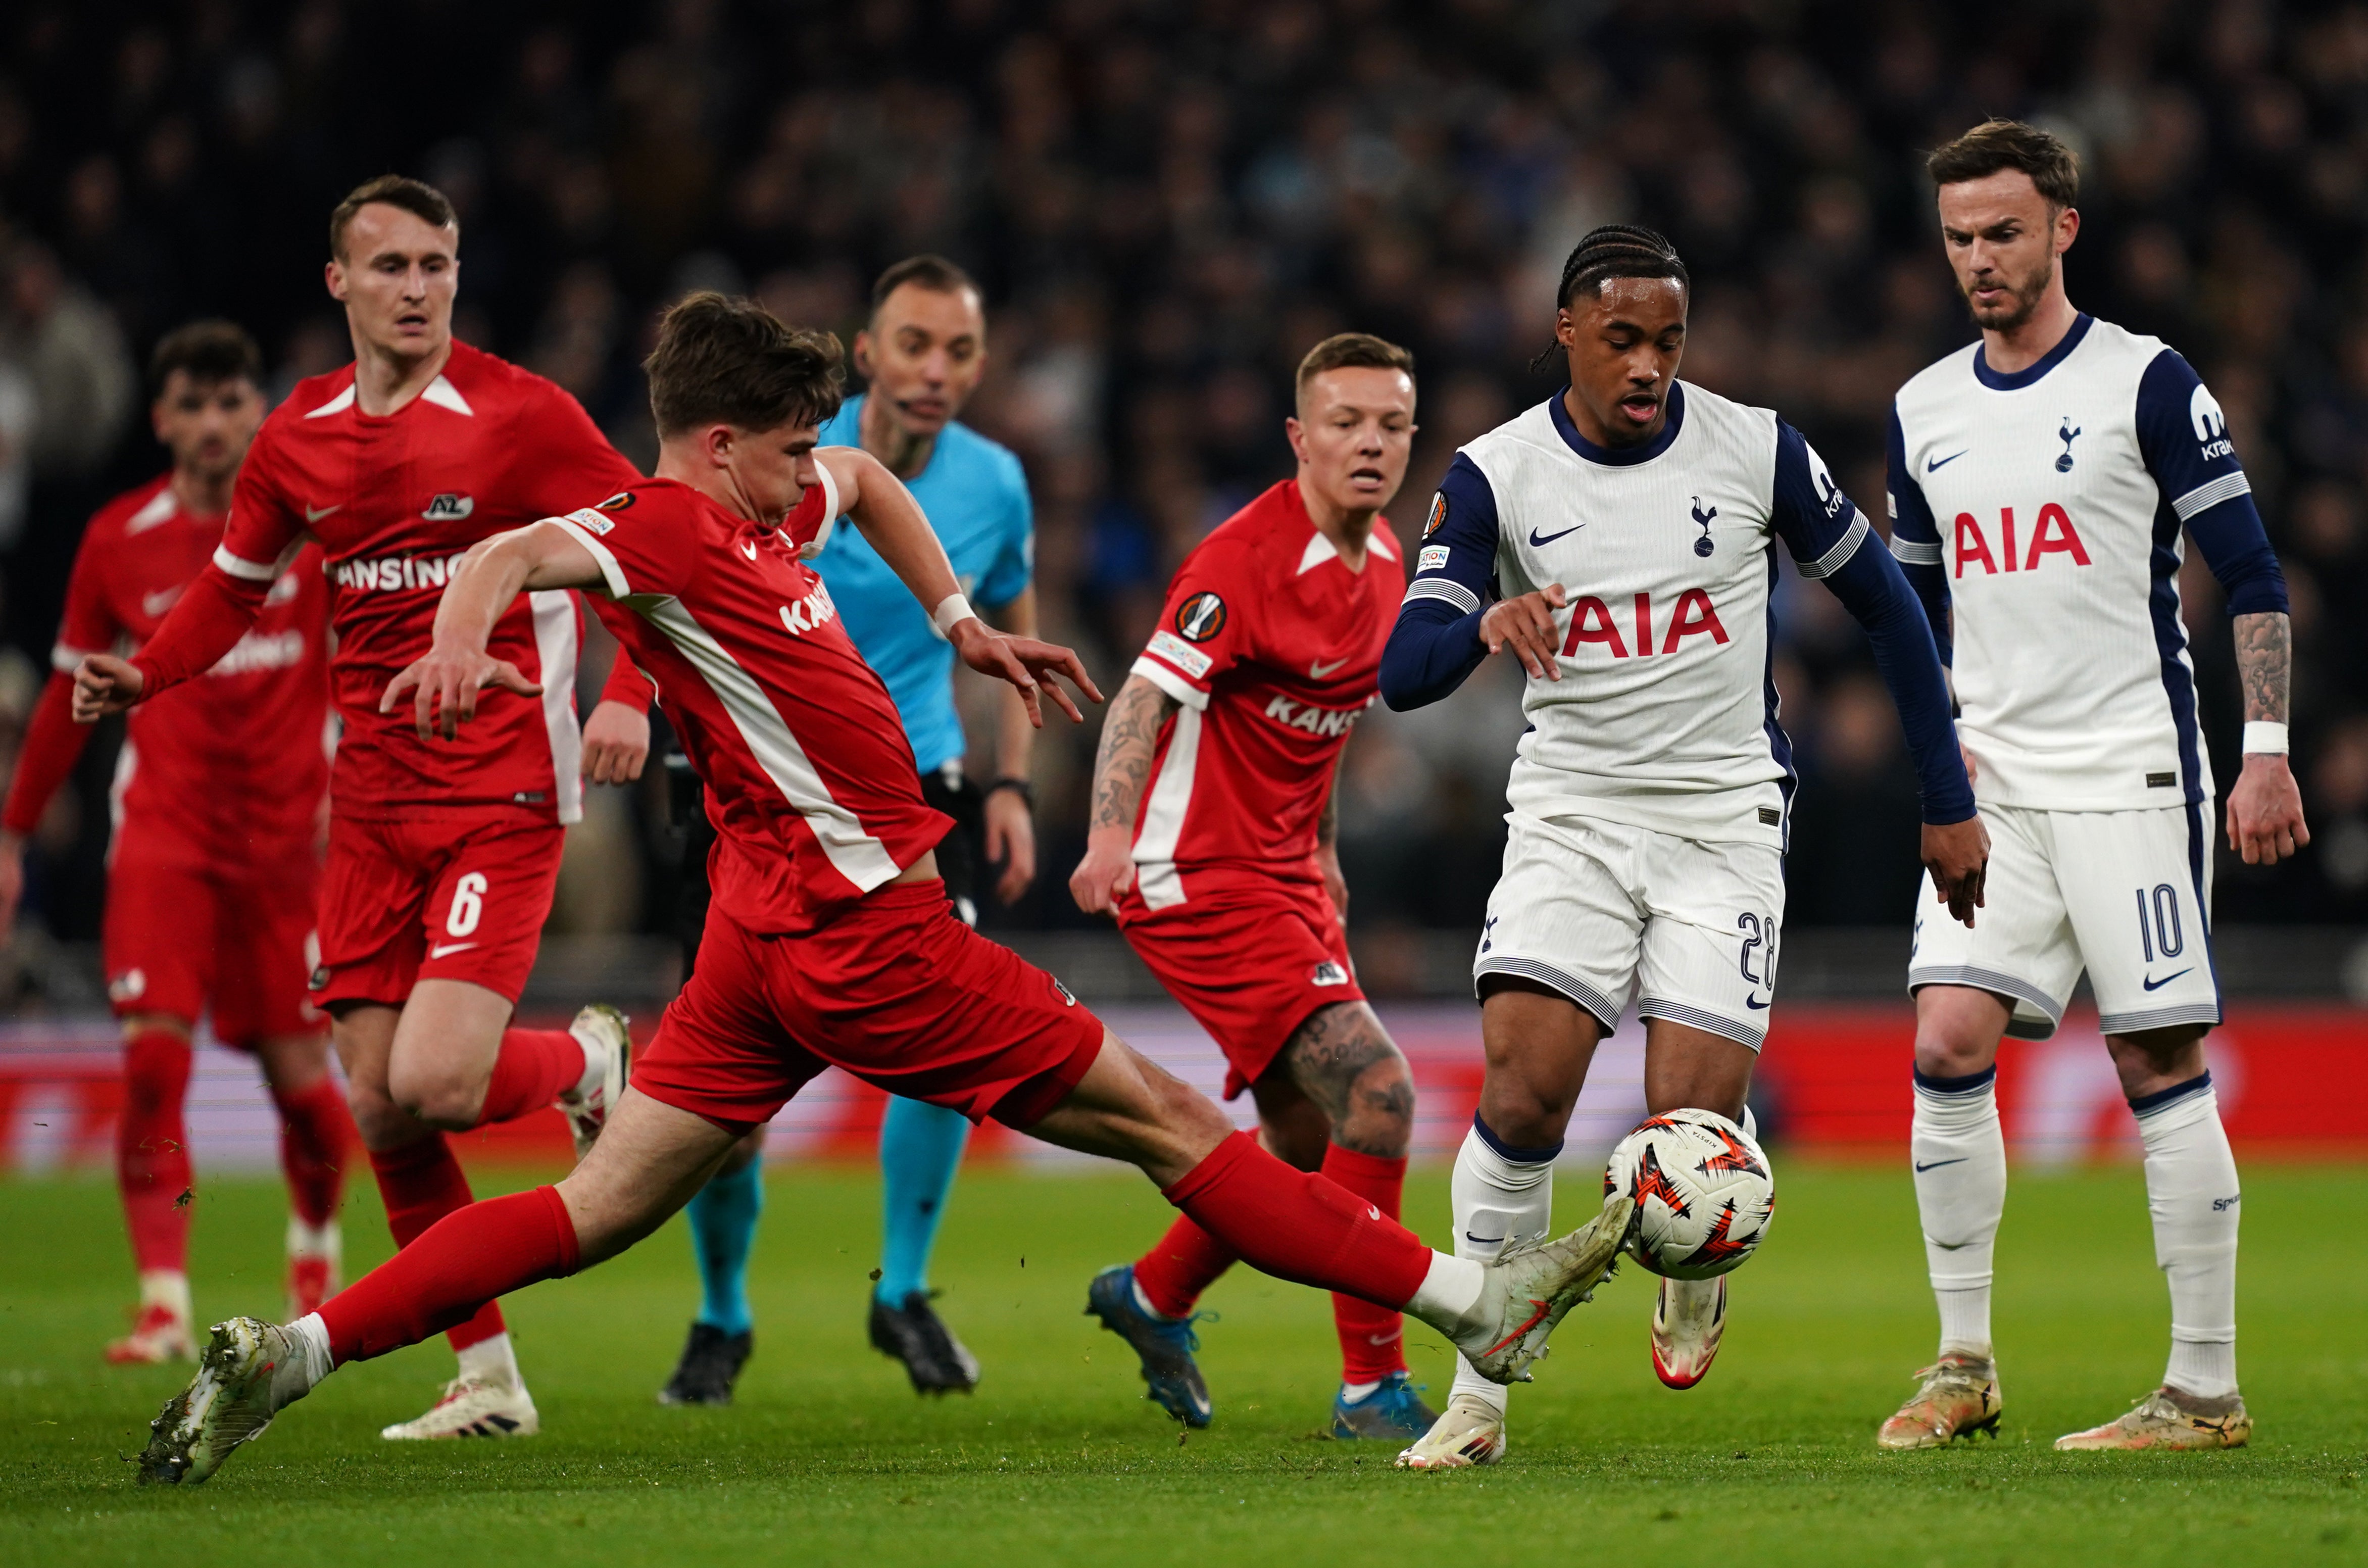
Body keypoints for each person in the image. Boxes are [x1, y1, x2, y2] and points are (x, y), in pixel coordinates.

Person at [132, 291, 1639, 1488]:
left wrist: (960, 623)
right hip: (868, 934)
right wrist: (464, 624)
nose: (818, 468)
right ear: (718, 444)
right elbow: (521, 550)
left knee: (593, 1206)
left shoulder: (775, 505)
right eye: (787, 444)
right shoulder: (660, 527)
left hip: (760, 937)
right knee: (1177, 1127)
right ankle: (1471, 1302)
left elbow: (859, 480)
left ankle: (296, 1357)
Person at [1379, 225, 1988, 1469]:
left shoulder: (1755, 447)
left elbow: (1889, 610)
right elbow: (1403, 671)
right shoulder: (1497, 474)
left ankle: (1690, 1260)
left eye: (1667, 339)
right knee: (1521, 1096)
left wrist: (1946, 794)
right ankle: (1477, 1405)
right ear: (1565, 334)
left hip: (1722, 821)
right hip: (1573, 816)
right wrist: (1489, 616)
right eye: (1621, 339)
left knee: (1693, 1139)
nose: (1648, 363)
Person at [72, 176, 658, 1442]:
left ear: (457, 276)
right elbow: (232, 590)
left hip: (501, 788)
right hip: (372, 807)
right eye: (388, 266)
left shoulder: (521, 416)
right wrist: (149, 673)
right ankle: (490, 1379)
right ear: (338, 283)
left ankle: (587, 1060)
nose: (415, 289)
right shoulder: (298, 437)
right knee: (383, 1106)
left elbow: (650, 550)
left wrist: (634, 698)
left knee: (441, 1081)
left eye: (435, 265)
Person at [1876, 121, 2304, 1454]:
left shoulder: (2150, 384)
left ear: (2064, 228)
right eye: (1958, 239)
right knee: (1945, 1042)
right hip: (1995, 792)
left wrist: (2268, 750)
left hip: (2132, 773)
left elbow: (2254, 575)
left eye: (2003, 232)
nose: (1979, 261)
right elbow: (1921, 616)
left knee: (2156, 1057)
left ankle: (2204, 1389)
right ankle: (1961, 1364)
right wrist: (1941, 772)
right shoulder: (1923, 412)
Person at [657, 256, 1040, 1406]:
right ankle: (723, 1313)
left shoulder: (995, 484)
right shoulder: (782, 457)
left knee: (946, 1048)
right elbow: (655, 571)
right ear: (867, 354)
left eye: (959, 350)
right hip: (757, 799)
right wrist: (626, 708)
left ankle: (903, 1289)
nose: (936, 370)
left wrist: (1011, 783)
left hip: (915, 786)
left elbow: (1013, 607)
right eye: (914, 344)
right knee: (726, 1098)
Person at [1070, 332, 1431, 1440]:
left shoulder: (1386, 570)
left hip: (1281, 873)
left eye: (1389, 425)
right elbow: (1143, 697)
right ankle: (1373, 1384)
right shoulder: (1242, 558)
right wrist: (1108, 834)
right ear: (1300, 438)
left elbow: (1315, 733)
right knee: (1378, 1093)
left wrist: (1321, 852)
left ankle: (1154, 1292)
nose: (1368, 443)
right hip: (1193, 871)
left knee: (1306, 1141)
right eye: (1345, 423)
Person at [0, 321, 352, 1362]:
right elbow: (70, 686)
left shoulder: (315, 534)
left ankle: (315, 1254)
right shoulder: (117, 539)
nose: (212, 424)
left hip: (290, 849)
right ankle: (161, 1301)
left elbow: (370, 656)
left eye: (231, 401)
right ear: (160, 420)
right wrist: (13, 832)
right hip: (166, 838)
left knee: (308, 1094)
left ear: (260, 410)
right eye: (191, 405)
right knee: (153, 1067)